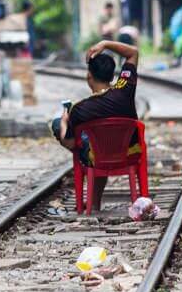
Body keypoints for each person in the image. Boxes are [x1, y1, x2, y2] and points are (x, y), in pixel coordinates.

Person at [51, 40, 140, 211]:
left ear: (89, 77)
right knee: (93, 142)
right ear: (112, 76)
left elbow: (69, 143)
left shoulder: (81, 109)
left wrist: (63, 122)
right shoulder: (124, 88)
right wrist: (105, 44)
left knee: (63, 128)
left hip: (98, 158)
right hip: (130, 153)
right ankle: (94, 201)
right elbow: (133, 52)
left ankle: (93, 200)